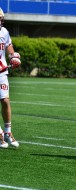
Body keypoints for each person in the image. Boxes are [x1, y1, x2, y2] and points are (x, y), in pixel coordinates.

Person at [0, 8, 21, 148]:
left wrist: (13, 57)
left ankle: (7, 132)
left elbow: (9, 46)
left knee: (5, 101)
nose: (1, 21)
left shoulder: (4, 32)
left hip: (1, 72)